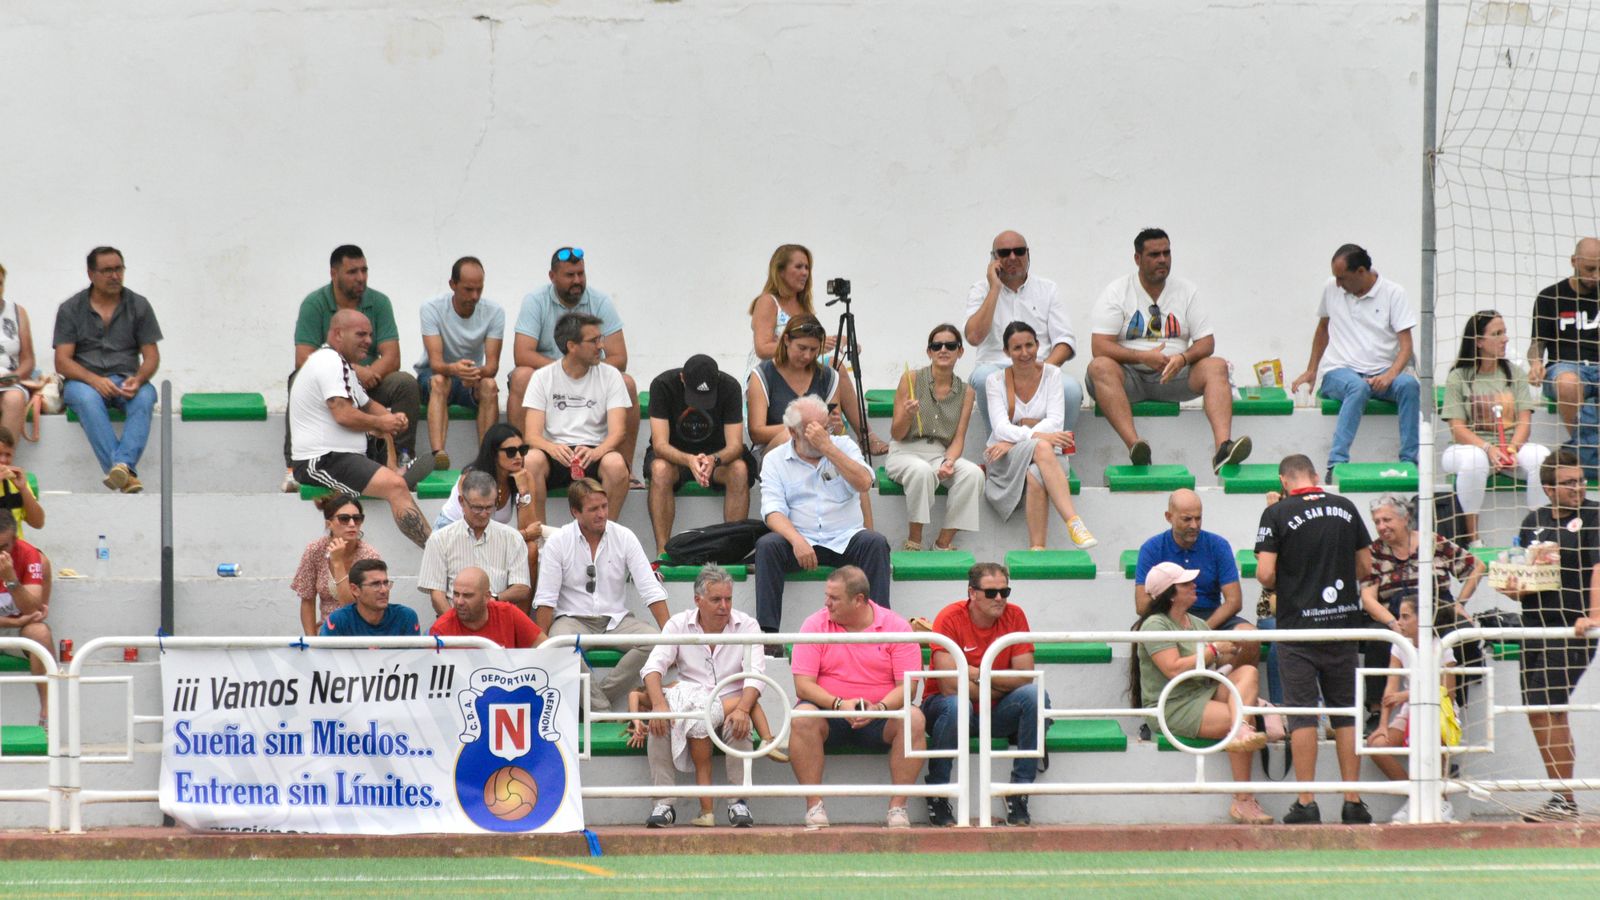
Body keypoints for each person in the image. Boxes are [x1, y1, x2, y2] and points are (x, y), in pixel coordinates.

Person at [1254, 454, 1374, 824]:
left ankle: (1307, 802)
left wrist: (1294, 581)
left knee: (1303, 714)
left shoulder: (1275, 514)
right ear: (1316, 476)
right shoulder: (1345, 506)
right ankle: (1353, 801)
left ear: (1283, 480)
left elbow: (1264, 574)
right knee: (1345, 713)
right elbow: (1366, 567)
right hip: (1341, 624)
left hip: (1298, 628)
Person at [1087, 228, 1251, 472]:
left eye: (1166, 253)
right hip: (1128, 377)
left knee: (1216, 365)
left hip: (1174, 376)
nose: (1162, 259)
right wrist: (1142, 357)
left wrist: (1183, 358)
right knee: (1099, 366)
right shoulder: (1118, 291)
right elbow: (1099, 345)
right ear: (1138, 259)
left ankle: (1223, 449)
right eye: (1154, 254)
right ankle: (1136, 447)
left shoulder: (1186, 291)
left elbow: (1207, 343)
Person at [1500, 448, 1600, 821]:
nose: (1578, 488)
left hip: (1570, 627)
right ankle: (1563, 797)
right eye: (1568, 483)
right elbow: (1524, 575)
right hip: (1533, 625)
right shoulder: (1534, 520)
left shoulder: (1593, 514)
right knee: (1537, 711)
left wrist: (1594, 615)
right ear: (1547, 488)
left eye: (1581, 480)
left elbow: (1598, 568)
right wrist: (1511, 586)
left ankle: (1563, 798)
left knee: (1549, 706)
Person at [1131, 561, 1273, 824]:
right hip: (1172, 705)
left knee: (1249, 673)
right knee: (1239, 715)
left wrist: (1230, 651)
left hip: (1200, 693)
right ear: (1171, 593)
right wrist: (1215, 651)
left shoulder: (1195, 623)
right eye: (1186, 583)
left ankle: (1241, 726)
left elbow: (1209, 662)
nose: (1194, 585)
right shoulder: (1154, 625)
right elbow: (1173, 669)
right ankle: (1242, 800)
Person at [788, 566, 925, 830]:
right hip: (829, 714)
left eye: (834, 598)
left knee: (915, 718)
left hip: (881, 716)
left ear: (859, 600)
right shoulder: (814, 623)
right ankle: (814, 807)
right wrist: (839, 704)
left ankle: (898, 807)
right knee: (802, 717)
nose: (826, 603)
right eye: (827, 596)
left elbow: (908, 688)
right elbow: (803, 686)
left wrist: (879, 708)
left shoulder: (896, 626)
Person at [640, 564, 772, 829]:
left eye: (728, 599)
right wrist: (658, 705)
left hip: (731, 702)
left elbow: (755, 675)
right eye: (716, 599)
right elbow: (653, 667)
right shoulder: (678, 623)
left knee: (739, 723)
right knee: (658, 724)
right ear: (697, 600)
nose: (724, 606)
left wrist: (744, 709)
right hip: (689, 704)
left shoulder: (747, 625)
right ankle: (663, 804)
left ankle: (738, 803)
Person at [289, 309, 432, 548]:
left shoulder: (342, 366)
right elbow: (343, 414)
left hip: (343, 457)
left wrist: (390, 418)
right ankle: (439, 556)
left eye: (370, 335)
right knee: (395, 487)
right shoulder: (328, 361)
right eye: (361, 334)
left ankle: (394, 470)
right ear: (337, 334)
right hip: (320, 461)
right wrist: (381, 422)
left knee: (381, 434)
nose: (369, 341)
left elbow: (368, 404)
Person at [752, 396, 892, 638]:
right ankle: (768, 636)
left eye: (824, 428)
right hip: (801, 539)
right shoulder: (775, 459)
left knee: (875, 543)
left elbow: (864, 482)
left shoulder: (844, 446)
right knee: (767, 546)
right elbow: (772, 511)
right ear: (792, 432)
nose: (821, 434)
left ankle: (878, 631)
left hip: (846, 538)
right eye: (812, 431)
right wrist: (796, 540)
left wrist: (828, 447)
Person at [286, 245, 421, 491]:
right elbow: (304, 359)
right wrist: (356, 371)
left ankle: (403, 457)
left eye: (364, 270)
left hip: (372, 382)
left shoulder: (379, 302)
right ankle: (291, 469)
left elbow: (392, 355)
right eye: (352, 272)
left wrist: (370, 374)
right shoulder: (314, 304)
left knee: (405, 382)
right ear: (333, 274)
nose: (361, 278)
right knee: (297, 378)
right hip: (333, 386)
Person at [923, 563, 1046, 828]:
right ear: (972, 593)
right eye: (991, 593)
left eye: (1005, 591)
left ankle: (1018, 792)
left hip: (994, 710)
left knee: (1035, 696)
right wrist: (1000, 683)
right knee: (957, 706)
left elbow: (1025, 676)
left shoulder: (1015, 615)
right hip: (949, 710)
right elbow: (949, 686)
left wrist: (975, 672)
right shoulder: (950, 617)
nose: (1000, 598)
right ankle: (938, 791)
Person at [534, 478, 668, 712]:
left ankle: (596, 702)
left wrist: (671, 638)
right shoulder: (558, 541)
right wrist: (543, 645)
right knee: (556, 645)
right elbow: (546, 599)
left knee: (655, 642)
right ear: (575, 511)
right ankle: (602, 709)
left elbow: (650, 589)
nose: (602, 514)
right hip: (571, 620)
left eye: (604, 506)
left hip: (616, 620)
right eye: (593, 509)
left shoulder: (624, 536)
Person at [1290, 244, 1419, 478]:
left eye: (1342, 278)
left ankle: (1410, 462)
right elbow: (1322, 329)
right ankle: (1336, 464)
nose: (1338, 284)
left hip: (1381, 374)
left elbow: (1406, 346)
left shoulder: (1394, 293)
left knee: (1410, 386)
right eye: (1336, 278)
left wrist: (1389, 375)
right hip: (1339, 371)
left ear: (1361, 272)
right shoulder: (1331, 288)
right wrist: (1311, 370)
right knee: (1356, 387)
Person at [507, 247, 641, 470]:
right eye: (570, 275)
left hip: (590, 373)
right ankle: (521, 462)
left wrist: (585, 368)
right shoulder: (534, 301)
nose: (577, 280)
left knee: (626, 383)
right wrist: (563, 371)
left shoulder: (601, 301)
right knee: (522, 376)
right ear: (552, 277)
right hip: (548, 377)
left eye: (581, 274)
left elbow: (620, 357)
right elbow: (522, 354)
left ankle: (626, 469)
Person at [52, 246, 162, 493]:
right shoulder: (71, 309)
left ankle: (121, 467)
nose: (115, 275)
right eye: (107, 270)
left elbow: (152, 356)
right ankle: (125, 471)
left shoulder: (139, 305)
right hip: (83, 381)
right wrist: (93, 380)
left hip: (126, 378)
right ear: (91, 274)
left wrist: (140, 378)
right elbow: (62, 361)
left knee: (145, 395)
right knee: (87, 399)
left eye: (119, 269)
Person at [982, 321, 1098, 550]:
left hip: (1042, 456)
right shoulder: (994, 381)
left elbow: (1055, 421)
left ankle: (1037, 548)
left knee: (1036, 473)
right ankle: (1074, 522)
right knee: (1042, 447)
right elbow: (1000, 428)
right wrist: (1039, 437)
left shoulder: (1052, 374)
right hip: (1006, 458)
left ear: (1038, 345)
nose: (1024, 353)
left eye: (1029, 345)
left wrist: (1015, 439)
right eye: (1017, 348)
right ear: (1006, 352)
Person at [1442, 310, 1550, 543]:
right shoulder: (1459, 377)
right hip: (1467, 448)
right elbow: (1457, 430)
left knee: (1542, 457)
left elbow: (1524, 422)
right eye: (1497, 334)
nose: (1505, 339)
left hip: (1510, 448)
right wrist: (1488, 449)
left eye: (1505, 332)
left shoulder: (1515, 374)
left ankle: (1538, 536)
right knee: (1475, 460)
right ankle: (1473, 539)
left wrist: (1511, 449)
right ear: (1479, 342)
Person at [963, 230, 1082, 434]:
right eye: (1004, 252)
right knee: (982, 378)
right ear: (993, 259)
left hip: (1039, 364)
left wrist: (1040, 373)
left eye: (1019, 251)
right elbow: (974, 337)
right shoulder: (981, 289)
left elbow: (1065, 342)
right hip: (995, 368)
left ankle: (1056, 452)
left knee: (1071, 390)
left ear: (1028, 255)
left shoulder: (1048, 289)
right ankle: (1001, 449)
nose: (1012, 257)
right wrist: (994, 289)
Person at [523, 311, 631, 521]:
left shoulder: (611, 375)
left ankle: (606, 533)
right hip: (556, 452)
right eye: (593, 341)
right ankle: (541, 536)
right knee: (531, 460)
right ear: (572, 346)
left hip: (595, 451)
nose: (601, 346)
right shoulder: (542, 377)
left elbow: (619, 433)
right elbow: (531, 436)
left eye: (601, 339)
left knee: (616, 464)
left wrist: (597, 452)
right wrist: (552, 448)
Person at [646, 353, 757, 556]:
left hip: (715, 459)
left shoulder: (730, 386)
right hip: (675, 459)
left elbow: (735, 445)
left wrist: (714, 460)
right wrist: (689, 460)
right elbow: (660, 445)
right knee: (659, 469)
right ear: (682, 378)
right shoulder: (662, 385)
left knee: (739, 469)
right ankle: (663, 552)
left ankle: (732, 551)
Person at [885, 324, 983, 551]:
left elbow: (959, 438)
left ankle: (943, 542)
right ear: (929, 351)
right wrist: (907, 416)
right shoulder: (911, 379)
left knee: (973, 474)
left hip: (939, 453)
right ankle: (914, 541)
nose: (943, 350)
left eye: (950, 345)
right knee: (921, 471)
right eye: (936, 345)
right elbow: (897, 434)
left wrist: (949, 461)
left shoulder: (966, 391)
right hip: (905, 451)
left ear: (960, 351)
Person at [1134, 489, 1257, 662]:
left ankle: (1226, 687)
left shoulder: (1218, 545)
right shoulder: (1151, 548)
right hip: (1168, 618)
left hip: (1211, 616)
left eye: (1198, 518)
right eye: (1187, 519)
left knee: (1249, 636)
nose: (1194, 525)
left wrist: (1202, 630)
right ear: (1169, 517)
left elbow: (1234, 601)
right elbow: (1142, 605)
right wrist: (1176, 624)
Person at [1367, 597, 1459, 823]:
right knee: (1377, 745)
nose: (1399, 622)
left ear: (1423, 619)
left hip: (1441, 710)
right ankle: (1417, 795)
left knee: (1433, 738)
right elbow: (1391, 687)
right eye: (1399, 616)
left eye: (1406, 616)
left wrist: (1406, 695)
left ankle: (1441, 801)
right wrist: (1382, 725)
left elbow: (1448, 691)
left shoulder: (1441, 647)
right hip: (1409, 711)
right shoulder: (1399, 645)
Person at [747, 314, 887, 459]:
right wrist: (802, 427)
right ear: (786, 340)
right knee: (788, 438)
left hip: (817, 448)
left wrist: (835, 426)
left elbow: (835, 428)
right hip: (776, 452)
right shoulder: (762, 375)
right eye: (802, 348)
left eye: (813, 350)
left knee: (844, 452)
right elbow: (756, 433)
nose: (807, 356)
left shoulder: (828, 376)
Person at [415, 256, 504, 471]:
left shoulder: (494, 312)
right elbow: (436, 362)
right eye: (468, 289)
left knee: (490, 386)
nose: (474, 296)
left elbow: (492, 367)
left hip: (471, 376)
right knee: (439, 380)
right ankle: (438, 454)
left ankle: (486, 459)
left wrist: (474, 373)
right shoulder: (432, 308)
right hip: (435, 375)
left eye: (479, 290)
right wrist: (455, 370)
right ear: (452, 285)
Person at [433, 424, 544, 584]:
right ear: (493, 453)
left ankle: (520, 609)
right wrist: (524, 534)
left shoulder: (524, 478)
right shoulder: (472, 479)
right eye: (511, 452)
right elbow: (476, 533)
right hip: (457, 537)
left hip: (489, 537)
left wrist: (523, 491)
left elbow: (531, 530)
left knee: (530, 550)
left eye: (523, 450)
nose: (519, 456)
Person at [1528, 237, 1600, 477]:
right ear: (1574, 262)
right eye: (1590, 269)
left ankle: (1585, 456)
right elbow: (1537, 344)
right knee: (1568, 383)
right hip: (1564, 368)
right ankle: (1590, 455)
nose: (1596, 276)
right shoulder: (1550, 297)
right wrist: (1536, 364)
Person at [417, 470, 532, 615]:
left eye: (490, 507)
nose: (484, 514)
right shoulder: (440, 539)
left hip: (497, 619)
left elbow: (522, 588)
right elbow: (436, 596)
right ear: (461, 502)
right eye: (477, 508)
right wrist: (455, 626)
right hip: (454, 621)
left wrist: (494, 600)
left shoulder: (513, 538)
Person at [290, 493, 381, 637]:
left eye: (357, 519)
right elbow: (307, 600)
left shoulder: (369, 555)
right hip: (327, 632)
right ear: (329, 524)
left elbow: (351, 607)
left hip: (362, 633)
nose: (352, 524)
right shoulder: (315, 550)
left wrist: (337, 563)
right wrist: (312, 641)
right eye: (344, 519)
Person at [747, 244, 835, 377]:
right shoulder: (768, 302)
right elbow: (762, 349)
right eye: (799, 267)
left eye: (807, 267)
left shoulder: (804, 307)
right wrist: (810, 345)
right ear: (780, 271)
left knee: (836, 367)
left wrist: (840, 341)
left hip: (797, 372)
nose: (805, 272)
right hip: (768, 375)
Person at [0, 515, 52, 726]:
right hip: (14, 624)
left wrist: (11, 579)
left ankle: (48, 713)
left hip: (18, 631)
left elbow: (32, 608)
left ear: (15, 539)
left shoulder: (28, 554)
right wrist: (15, 622)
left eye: (4, 546)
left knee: (39, 632)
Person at [428, 566, 545, 648]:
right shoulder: (441, 629)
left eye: (468, 595)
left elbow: (547, 648)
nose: (459, 602)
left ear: (487, 596)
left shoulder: (508, 613)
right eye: (456, 594)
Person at [318, 559, 420, 637]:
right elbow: (324, 661)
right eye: (375, 584)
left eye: (386, 583)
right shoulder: (339, 620)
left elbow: (414, 660)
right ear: (355, 590)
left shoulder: (405, 617)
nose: (384, 590)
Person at [0, 262, 38, 442]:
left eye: (0, 283)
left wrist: (13, 377)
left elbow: (28, 360)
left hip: (10, 380)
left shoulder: (17, 312)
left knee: (14, 399)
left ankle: (4, 464)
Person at [0, 427, 44, 536]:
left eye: (8, 455)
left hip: (15, 549)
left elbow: (38, 523)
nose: (3, 460)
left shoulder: (15, 481)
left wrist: (23, 489)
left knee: (37, 554)